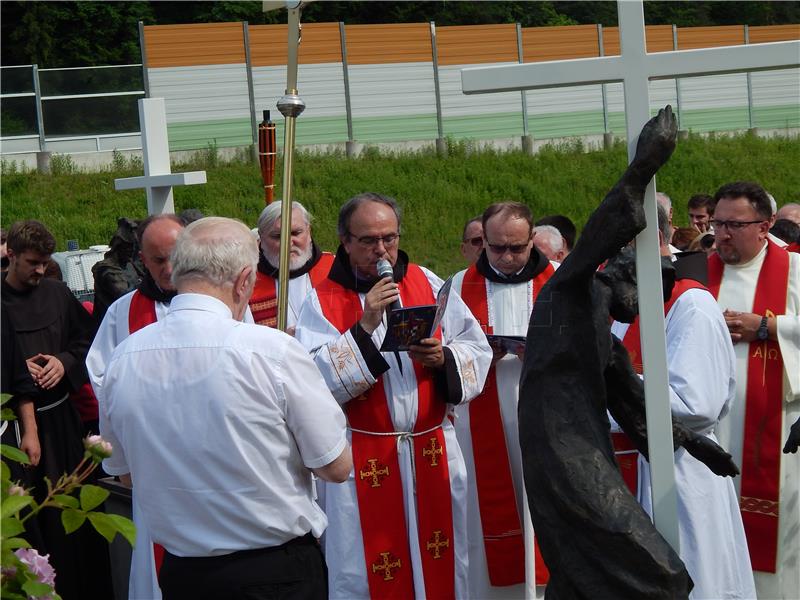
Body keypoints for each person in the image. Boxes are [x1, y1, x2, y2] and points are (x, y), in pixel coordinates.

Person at [99, 217, 351, 600]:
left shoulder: (122, 359)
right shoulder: (273, 352)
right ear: (244, 280)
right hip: (273, 571)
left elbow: (126, 475)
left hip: (184, 573)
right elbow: (335, 466)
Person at [295, 192, 491, 599]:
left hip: (430, 446)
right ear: (345, 242)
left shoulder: (428, 282)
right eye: (368, 240)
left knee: (443, 560)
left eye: (389, 237)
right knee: (364, 571)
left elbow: (476, 349)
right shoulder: (323, 299)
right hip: (364, 454)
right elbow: (313, 382)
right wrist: (365, 326)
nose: (381, 249)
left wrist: (444, 358)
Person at [612, 205, 756, 599]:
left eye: (625, 242)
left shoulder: (690, 304)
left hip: (680, 475)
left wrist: (610, 386)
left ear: (655, 240)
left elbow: (696, 403)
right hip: (630, 467)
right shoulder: (627, 299)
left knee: (693, 580)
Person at [1, 220, 112, 600]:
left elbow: (88, 340)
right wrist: (16, 368)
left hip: (62, 420)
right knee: (29, 515)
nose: (38, 270)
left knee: (70, 511)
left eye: (44, 263)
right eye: (31, 262)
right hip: (15, 427)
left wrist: (64, 361)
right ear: (11, 255)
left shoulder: (57, 292)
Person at [452, 202, 557, 598]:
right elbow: (443, 355)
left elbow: (585, 347)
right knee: (487, 519)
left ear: (532, 239)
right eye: (497, 249)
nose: (508, 258)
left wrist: (544, 353)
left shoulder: (560, 281)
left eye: (517, 248)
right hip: (482, 422)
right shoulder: (459, 287)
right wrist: (477, 355)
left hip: (547, 418)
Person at [708, 181, 800, 599]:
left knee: (776, 542)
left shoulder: (795, 271)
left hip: (775, 431)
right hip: (709, 433)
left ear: (765, 227)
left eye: (734, 224)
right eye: (718, 222)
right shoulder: (695, 272)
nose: (722, 234)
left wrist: (768, 326)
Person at [87, 212, 184, 600]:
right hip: (154, 457)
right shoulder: (121, 312)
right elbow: (102, 379)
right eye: (158, 260)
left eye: (176, 256)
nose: (169, 268)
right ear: (142, 261)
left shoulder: (222, 303)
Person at [249, 201, 334, 332]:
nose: (288, 243)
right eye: (278, 236)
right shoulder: (247, 281)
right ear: (261, 237)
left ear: (309, 231)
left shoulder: (335, 269)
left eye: (295, 233)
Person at [91, 217, 142, 327]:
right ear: (119, 246)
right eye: (129, 247)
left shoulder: (130, 265)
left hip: (129, 323)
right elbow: (123, 295)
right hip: (110, 328)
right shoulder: (106, 268)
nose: (133, 251)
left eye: (134, 247)